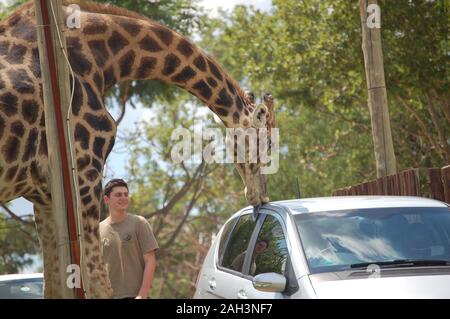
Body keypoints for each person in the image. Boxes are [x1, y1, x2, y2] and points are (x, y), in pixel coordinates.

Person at [100, 179, 159, 299]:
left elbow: (150, 261)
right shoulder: (98, 230)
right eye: (118, 195)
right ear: (106, 200)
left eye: (126, 194)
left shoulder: (139, 223)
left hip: (135, 296)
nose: (123, 197)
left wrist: (142, 295)